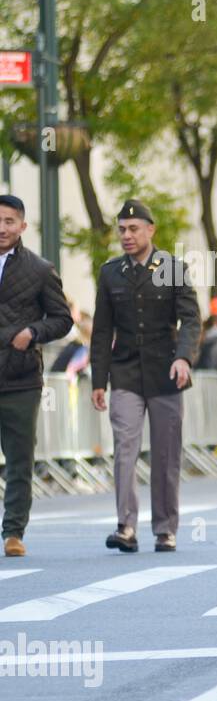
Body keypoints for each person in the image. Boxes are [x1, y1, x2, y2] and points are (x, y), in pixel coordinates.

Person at [90, 199, 201, 553]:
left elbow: (191, 319)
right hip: (125, 372)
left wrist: (184, 358)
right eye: (121, 229)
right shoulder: (110, 273)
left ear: (150, 230)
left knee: (166, 453)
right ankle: (126, 526)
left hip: (167, 371)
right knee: (125, 447)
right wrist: (98, 380)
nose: (126, 235)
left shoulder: (170, 266)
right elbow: (101, 330)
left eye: (133, 229)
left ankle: (165, 528)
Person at [0, 194, 73, 557]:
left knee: (19, 458)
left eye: (9, 221)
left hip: (20, 379)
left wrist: (33, 332)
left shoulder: (40, 269)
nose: (2, 228)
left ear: (22, 226)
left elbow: (63, 319)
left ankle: (13, 531)